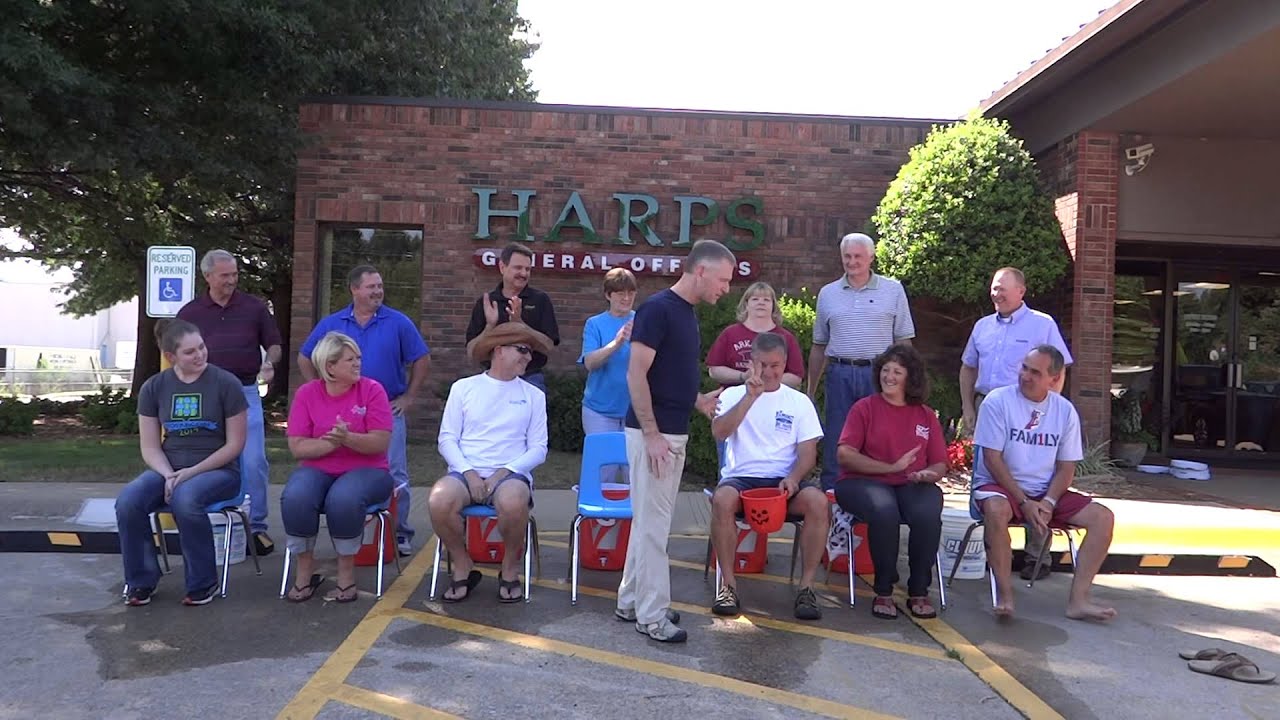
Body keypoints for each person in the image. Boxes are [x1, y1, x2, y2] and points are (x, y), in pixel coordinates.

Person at [617, 238, 735, 644]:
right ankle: (652, 617)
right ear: (700, 270)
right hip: (657, 435)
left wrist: (698, 400)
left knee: (649, 523)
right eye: (722, 279)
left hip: (669, 431)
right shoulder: (657, 309)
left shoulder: (684, 313)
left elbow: (667, 375)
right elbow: (636, 374)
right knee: (654, 527)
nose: (725, 288)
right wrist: (651, 434)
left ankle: (631, 600)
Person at [973, 345, 1116, 621]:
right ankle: (1005, 595)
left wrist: (1049, 502)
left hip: (1045, 490)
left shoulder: (1064, 411)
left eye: (1035, 372)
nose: (1025, 375)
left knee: (1103, 518)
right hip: (1001, 486)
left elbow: (1066, 467)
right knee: (996, 510)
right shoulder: (997, 401)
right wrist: (1025, 502)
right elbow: (992, 459)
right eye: (1024, 367)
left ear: (1054, 379)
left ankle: (1079, 601)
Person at [298, 265, 430, 557]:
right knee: (343, 467)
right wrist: (319, 389)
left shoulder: (398, 323)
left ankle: (400, 532)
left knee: (395, 472)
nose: (377, 292)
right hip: (342, 410)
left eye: (380, 286)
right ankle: (352, 533)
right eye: (371, 287)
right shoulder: (332, 324)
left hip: (386, 409)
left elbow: (421, 358)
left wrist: (409, 397)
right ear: (354, 289)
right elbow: (305, 356)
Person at [116, 320, 247, 607]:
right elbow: (149, 447)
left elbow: (235, 445)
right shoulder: (154, 387)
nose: (200, 355)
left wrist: (189, 474)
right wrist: (168, 475)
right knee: (128, 501)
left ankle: (202, 583)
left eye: (201, 347)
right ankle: (140, 582)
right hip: (170, 468)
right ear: (171, 357)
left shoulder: (226, 384)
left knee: (185, 500)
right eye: (190, 352)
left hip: (218, 470)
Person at [959, 266, 1074, 580]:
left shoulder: (1042, 324)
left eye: (1003, 289)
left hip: (1028, 408)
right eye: (994, 288)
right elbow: (968, 368)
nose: (997, 294)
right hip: (989, 406)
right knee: (989, 472)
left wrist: (1049, 407)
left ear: (1021, 291)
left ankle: (1038, 557)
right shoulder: (982, 326)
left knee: (1035, 475)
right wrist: (968, 407)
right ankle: (993, 549)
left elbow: (1059, 369)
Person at [429, 321, 551, 603]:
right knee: (438, 501)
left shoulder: (534, 395)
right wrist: (469, 473)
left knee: (512, 502)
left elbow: (539, 449)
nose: (528, 357)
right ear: (498, 350)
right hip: (464, 472)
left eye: (530, 352)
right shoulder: (464, 388)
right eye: (522, 349)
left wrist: (502, 474)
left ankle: (509, 568)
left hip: (511, 475)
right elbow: (447, 439)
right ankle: (462, 563)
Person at [710, 332, 827, 620]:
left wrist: (794, 478)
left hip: (785, 481)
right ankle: (728, 587)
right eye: (762, 365)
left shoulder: (799, 402)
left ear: (785, 363)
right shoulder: (733, 395)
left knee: (819, 503)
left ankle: (807, 588)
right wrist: (750, 398)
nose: (769, 372)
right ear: (751, 363)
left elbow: (808, 454)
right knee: (722, 500)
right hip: (742, 478)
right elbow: (720, 432)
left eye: (775, 365)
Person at [177, 249, 282, 556]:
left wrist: (269, 363)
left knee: (253, 462)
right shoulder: (190, 313)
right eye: (225, 276)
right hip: (204, 395)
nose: (231, 281)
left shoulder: (254, 307)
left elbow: (273, 344)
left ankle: (256, 528)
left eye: (235, 275)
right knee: (201, 460)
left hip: (245, 391)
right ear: (208, 276)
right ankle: (204, 523)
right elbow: (177, 354)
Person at [834, 344, 947, 620]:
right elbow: (844, 455)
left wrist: (929, 474)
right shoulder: (865, 408)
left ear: (911, 377)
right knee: (884, 511)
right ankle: (883, 590)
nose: (890, 376)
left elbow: (939, 463)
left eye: (897, 371)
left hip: (909, 483)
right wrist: (890, 467)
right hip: (861, 481)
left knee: (927, 512)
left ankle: (919, 590)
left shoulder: (925, 415)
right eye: (885, 370)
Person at [281, 332, 394, 603]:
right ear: (329, 366)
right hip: (318, 468)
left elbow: (380, 442)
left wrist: (347, 439)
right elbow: (297, 446)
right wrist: (331, 444)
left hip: (370, 470)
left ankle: (346, 576)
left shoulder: (372, 390)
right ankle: (305, 570)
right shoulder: (307, 393)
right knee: (296, 496)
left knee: (343, 498)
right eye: (350, 359)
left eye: (358, 358)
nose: (358, 364)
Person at [809, 233, 916, 490]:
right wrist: (810, 391)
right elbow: (819, 345)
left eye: (858, 256)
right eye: (847, 256)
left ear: (871, 257)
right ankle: (833, 493)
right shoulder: (828, 293)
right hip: (840, 373)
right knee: (837, 433)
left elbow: (903, 341)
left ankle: (880, 490)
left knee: (880, 434)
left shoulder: (893, 290)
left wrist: (908, 382)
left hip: (880, 375)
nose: (852, 261)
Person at [465, 242, 561, 393]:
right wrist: (489, 327)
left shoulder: (540, 300)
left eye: (528, 269)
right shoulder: (486, 302)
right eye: (518, 268)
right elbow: (472, 352)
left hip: (530, 378)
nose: (524, 273)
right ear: (502, 267)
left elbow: (548, 346)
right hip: (493, 381)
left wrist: (521, 326)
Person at [706, 281, 806, 390]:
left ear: (773, 306)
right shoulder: (730, 334)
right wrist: (744, 377)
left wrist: (766, 381)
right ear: (746, 304)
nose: (761, 303)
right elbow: (714, 370)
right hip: (735, 397)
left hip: (773, 399)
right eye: (755, 299)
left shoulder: (786, 337)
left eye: (766, 300)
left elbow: (796, 376)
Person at [579, 268, 638, 435]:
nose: (626, 298)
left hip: (635, 411)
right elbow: (590, 363)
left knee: (632, 461)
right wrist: (617, 342)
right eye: (620, 293)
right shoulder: (594, 324)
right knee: (605, 461)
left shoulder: (643, 320)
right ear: (608, 295)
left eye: (631, 292)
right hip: (599, 411)